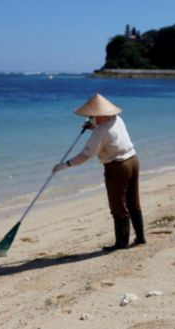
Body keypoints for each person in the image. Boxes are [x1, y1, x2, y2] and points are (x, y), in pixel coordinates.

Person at [53, 93, 146, 251]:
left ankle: (121, 243)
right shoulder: (117, 119)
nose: (91, 118)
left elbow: (85, 155)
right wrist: (92, 126)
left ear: (101, 115)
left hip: (118, 167)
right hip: (133, 160)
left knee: (117, 205)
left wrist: (64, 165)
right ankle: (140, 237)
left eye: (93, 116)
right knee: (133, 201)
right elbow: (107, 130)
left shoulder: (100, 132)